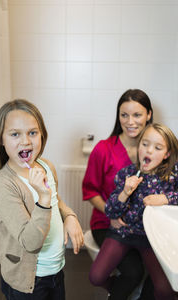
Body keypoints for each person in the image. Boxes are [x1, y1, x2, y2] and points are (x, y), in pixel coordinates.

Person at [0, 99, 84, 300]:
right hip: (29, 281)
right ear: (1, 140)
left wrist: (70, 216)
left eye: (32, 132)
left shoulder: (46, 166)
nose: (26, 141)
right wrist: (43, 198)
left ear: (42, 135)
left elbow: (57, 202)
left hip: (56, 270)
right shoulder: (3, 185)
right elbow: (30, 242)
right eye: (15, 134)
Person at [89, 123, 178, 300]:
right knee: (96, 277)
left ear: (167, 154)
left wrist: (166, 198)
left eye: (157, 147)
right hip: (124, 232)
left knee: (165, 290)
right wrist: (124, 193)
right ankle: (118, 288)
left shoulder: (172, 176)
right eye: (145, 144)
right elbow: (110, 210)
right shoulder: (126, 174)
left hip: (152, 238)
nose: (149, 151)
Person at [82, 89, 154, 299]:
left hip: (142, 226)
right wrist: (111, 214)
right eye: (124, 115)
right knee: (133, 272)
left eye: (137, 115)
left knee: (161, 271)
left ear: (149, 114)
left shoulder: (154, 150)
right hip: (106, 223)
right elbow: (90, 190)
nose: (130, 121)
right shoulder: (104, 149)